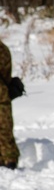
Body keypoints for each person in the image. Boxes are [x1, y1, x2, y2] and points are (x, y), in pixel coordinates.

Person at [0, 37, 19, 169]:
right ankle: (9, 158)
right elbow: (6, 74)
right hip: (2, 94)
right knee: (5, 128)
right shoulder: (3, 49)